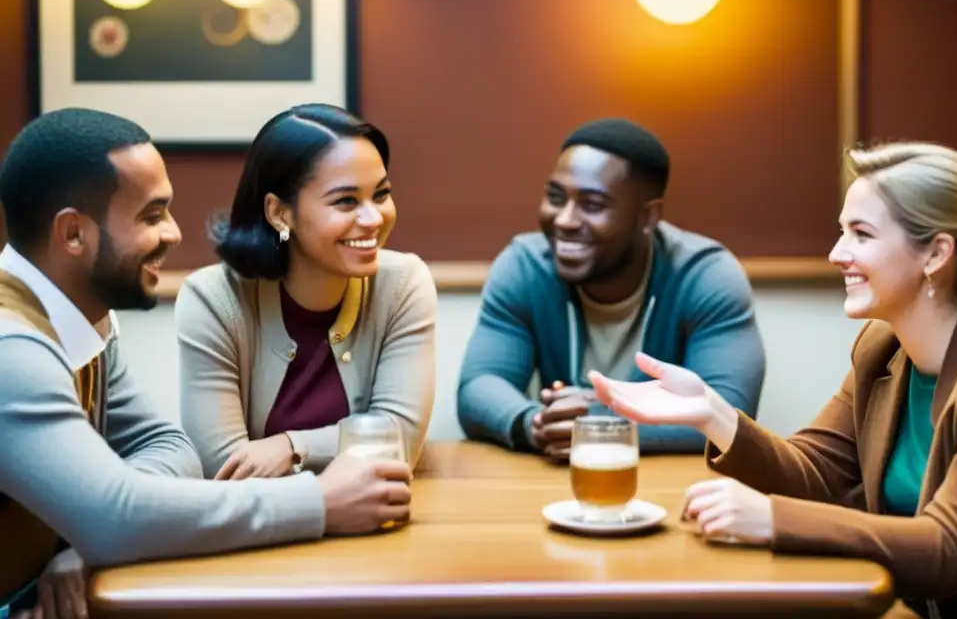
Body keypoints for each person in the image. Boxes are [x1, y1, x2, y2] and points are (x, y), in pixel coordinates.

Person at [0, 109, 412, 619]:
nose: (174, 233)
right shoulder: (11, 349)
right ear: (73, 234)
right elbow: (116, 514)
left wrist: (97, 520)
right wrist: (320, 503)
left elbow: (171, 449)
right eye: (152, 216)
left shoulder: (86, 324)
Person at [589, 141, 957, 617]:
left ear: (936, 253)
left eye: (861, 234)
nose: (837, 253)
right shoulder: (882, 348)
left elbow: (950, 550)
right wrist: (712, 414)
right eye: (842, 231)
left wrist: (773, 520)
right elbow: (817, 473)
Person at [457, 118, 766, 459]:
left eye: (593, 205)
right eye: (556, 197)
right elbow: (479, 386)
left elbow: (731, 413)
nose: (565, 220)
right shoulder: (526, 267)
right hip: (561, 488)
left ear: (648, 216)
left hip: (675, 492)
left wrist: (594, 424)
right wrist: (535, 423)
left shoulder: (705, 277)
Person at [176, 104, 436, 480]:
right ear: (280, 213)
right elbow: (225, 468)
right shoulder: (213, 300)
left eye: (380, 195)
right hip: (258, 534)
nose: (374, 219)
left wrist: (292, 448)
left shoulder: (404, 284)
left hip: (377, 520)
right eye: (346, 201)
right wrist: (325, 498)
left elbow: (400, 440)